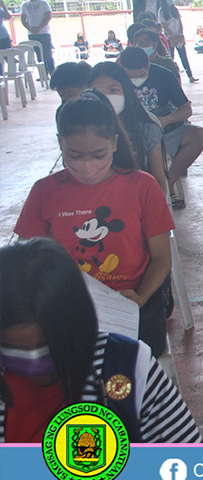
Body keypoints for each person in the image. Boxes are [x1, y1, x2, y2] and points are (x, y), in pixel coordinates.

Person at [14, 91, 174, 357]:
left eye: (98, 154)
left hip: (134, 301)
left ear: (114, 143)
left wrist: (139, 299)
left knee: (131, 373)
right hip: (70, 304)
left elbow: (161, 259)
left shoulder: (142, 186)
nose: (87, 164)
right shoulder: (44, 192)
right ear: (60, 143)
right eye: (74, 155)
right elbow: (28, 260)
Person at [0, 237, 201, 443]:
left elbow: (189, 464)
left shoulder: (127, 367)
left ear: (80, 326)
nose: (34, 360)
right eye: (14, 350)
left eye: (49, 347)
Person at [117, 47, 203, 210]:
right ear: (121, 67)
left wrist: (165, 120)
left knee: (198, 135)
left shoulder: (163, 75)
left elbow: (186, 109)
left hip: (164, 127)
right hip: (129, 132)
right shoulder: (114, 80)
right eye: (131, 76)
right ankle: (137, 193)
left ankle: (168, 182)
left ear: (149, 65)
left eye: (141, 75)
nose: (136, 79)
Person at [90, 62, 168, 198]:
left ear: (126, 91)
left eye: (113, 90)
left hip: (137, 202)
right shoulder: (83, 132)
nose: (106, 97)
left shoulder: (147, 130)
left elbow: (159, 182)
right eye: (99, 92)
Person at [158, 0, 195, 82]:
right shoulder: (161, 11)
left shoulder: (175, 10)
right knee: (171, 57)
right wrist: (172, 36)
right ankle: (172, 77)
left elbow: (180, 23)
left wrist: (181, 35)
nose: (170, 0)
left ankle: (190, 76)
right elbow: (164, 26)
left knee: (184, 57)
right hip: (169, 38)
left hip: (178, 37)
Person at [20, 0, 55, 75]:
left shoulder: (43, 3)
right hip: (32, 33)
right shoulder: (25, 5)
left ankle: (53, 73)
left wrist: (39, 28)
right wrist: (30, 29)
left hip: (44, 32)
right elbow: (23, 19)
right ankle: (43, 74)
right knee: (38, 54)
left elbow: (48, 16)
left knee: (47, 54)